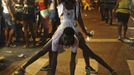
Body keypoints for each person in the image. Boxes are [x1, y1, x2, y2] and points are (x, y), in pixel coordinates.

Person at [15, 0, 117, 75]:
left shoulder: (77, 4)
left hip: (74, 30)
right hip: (62, 30)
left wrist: (85, 32)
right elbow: (55, 61)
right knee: (43, 50)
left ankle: (111, 70)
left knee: (90, 52)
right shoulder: (61, 3)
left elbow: (80, 19)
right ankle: (23, 67)